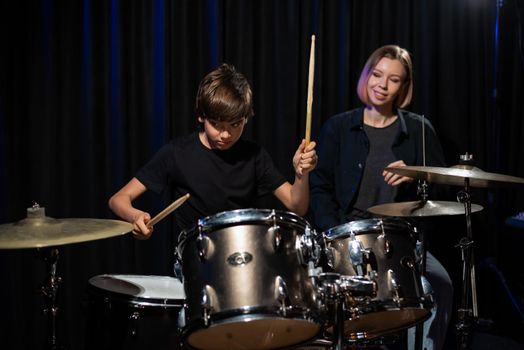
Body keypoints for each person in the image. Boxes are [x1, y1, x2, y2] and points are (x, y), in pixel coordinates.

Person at [309, 45, 453, 350]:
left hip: (401, 243)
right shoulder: (338, 127)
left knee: (440, 286)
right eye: (377, 74)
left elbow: (445, 192)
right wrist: (334, 238)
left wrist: (418, 175)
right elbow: (318, 187)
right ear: (367, 75)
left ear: (404, 86)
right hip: (346, 237)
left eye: (394, 79)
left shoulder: (419, 130)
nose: (383, 85)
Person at [109, 63, 317, 240]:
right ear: (201, 116)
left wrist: (301, 175)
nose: (225, 134)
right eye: (216, 124)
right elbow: (118, 199)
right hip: (196, 261)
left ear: (246, 118)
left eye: (235, 124)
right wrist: (135, 216)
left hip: (244, 254)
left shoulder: (254, 156)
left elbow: (297, 207)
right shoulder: (176, 153)